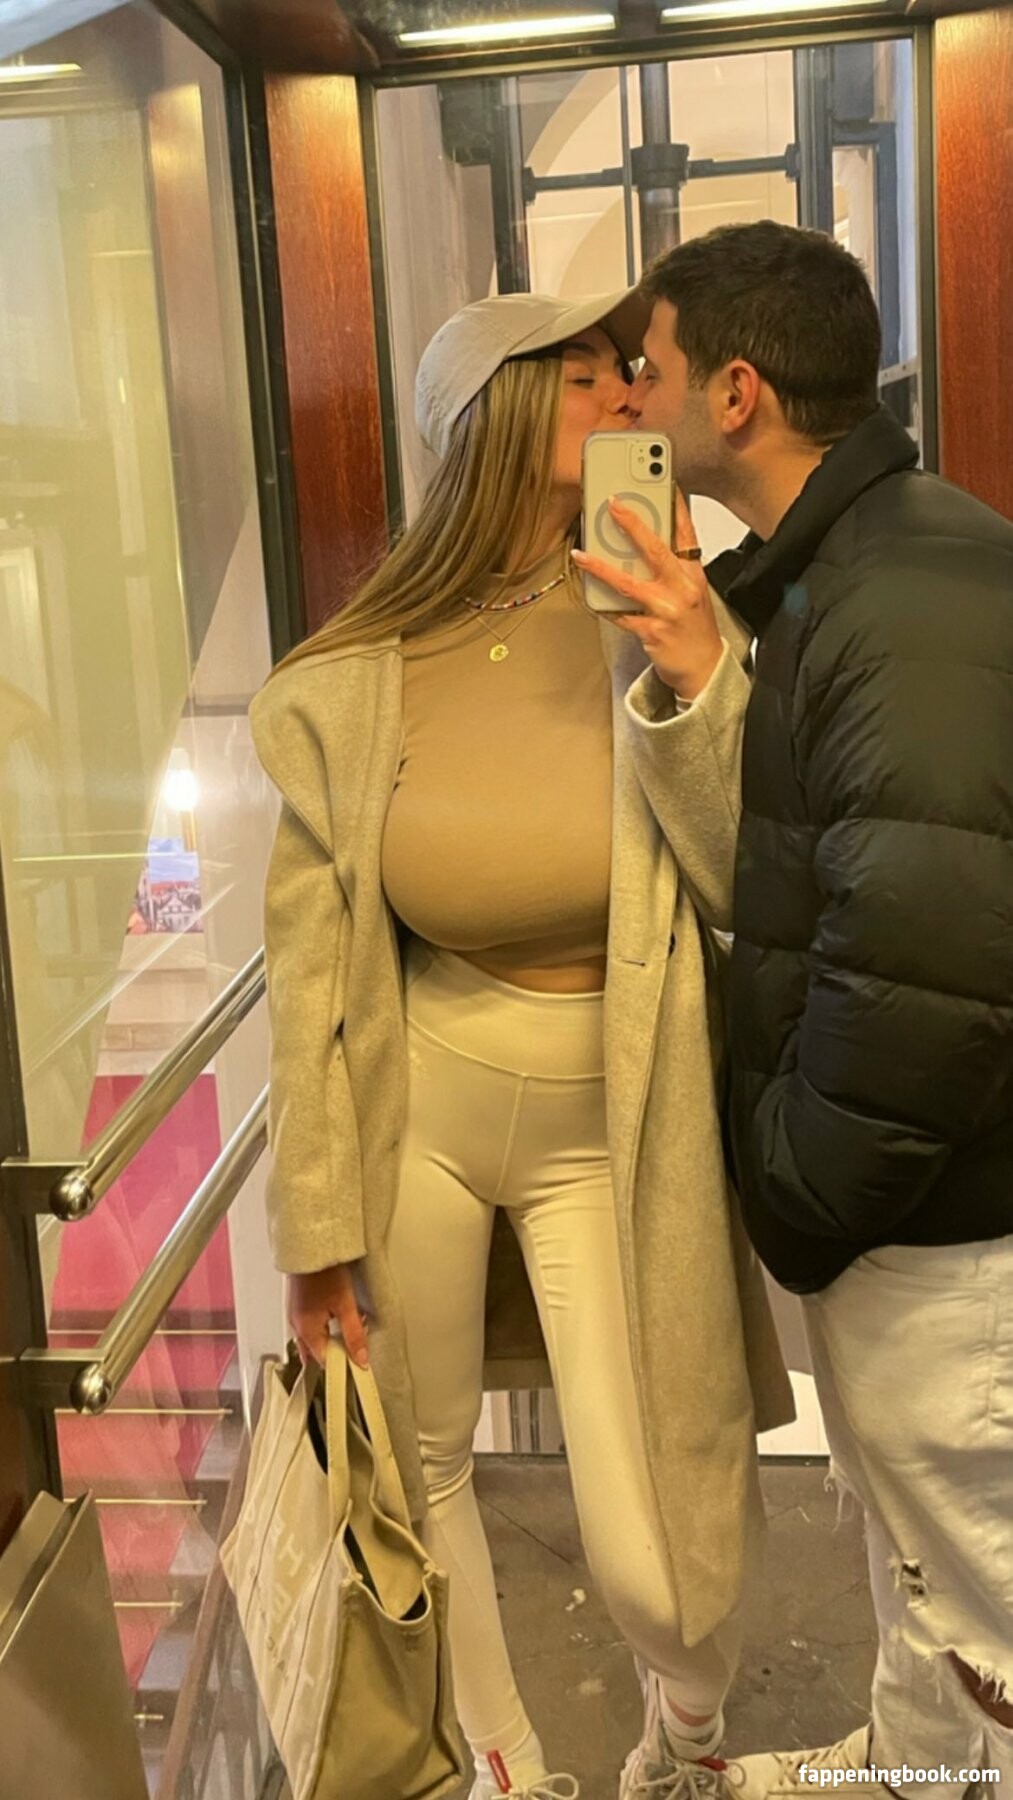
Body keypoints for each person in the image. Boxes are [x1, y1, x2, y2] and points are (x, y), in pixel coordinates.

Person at [250, 287, 793, 1800]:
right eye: (585, 375)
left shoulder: (668, 607)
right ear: (490, 415)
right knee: (422, 1470)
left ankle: (684, 1734)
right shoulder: (357, 676)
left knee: (652, 1543)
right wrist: (313, 1239)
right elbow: (310, 973)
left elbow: (748, 873)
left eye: (629, 370)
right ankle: (507, 1770)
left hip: (613, 1114)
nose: (628, 395)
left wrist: (693, 668)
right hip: (420, 1101)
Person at [580, 220, 1013, 1799]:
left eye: (648, 369)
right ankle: (911, 1770)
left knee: (990, 1600)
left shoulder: (901, 599)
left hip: (947, 1229)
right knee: (926, 1568)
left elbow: (930, 960)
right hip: (924, 1210)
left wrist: (797, 1182)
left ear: (736, 393)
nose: (629, 402)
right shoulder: (857, 564)